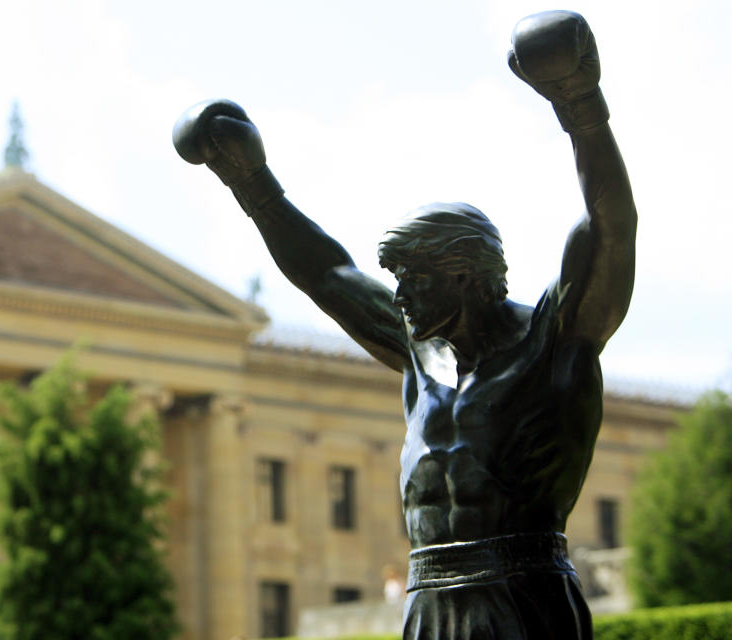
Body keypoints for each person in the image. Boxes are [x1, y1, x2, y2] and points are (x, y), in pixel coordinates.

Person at [173, 10, 635, 640]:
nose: (401, 294)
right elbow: (329, 275)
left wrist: (580, 102)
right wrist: (252, 185)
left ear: (467, 274)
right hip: (429, 603)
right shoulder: (422, 353)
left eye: (414, 276)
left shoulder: (554, 343)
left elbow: (610, 228)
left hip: (525, 598)